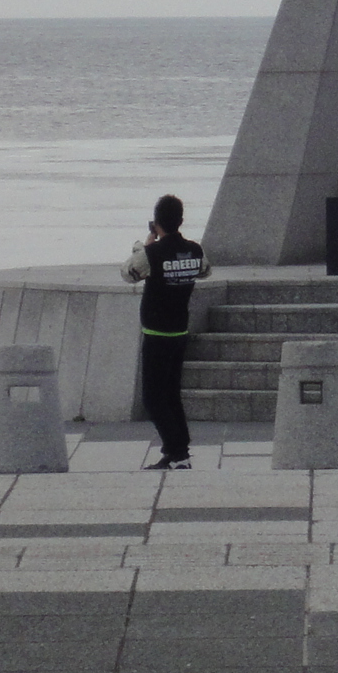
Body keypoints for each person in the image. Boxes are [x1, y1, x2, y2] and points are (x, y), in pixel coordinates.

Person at [121, 193, 210, 471]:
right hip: (180, 330)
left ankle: (177, 451)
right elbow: (205, 271)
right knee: (171, 393)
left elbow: (128, 274)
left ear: (157, 223)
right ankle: (178, 449)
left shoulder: (152, 254)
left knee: (152, 397)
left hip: (157, 332)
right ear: (181, 220)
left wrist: (145, 245)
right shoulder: (195, 250)